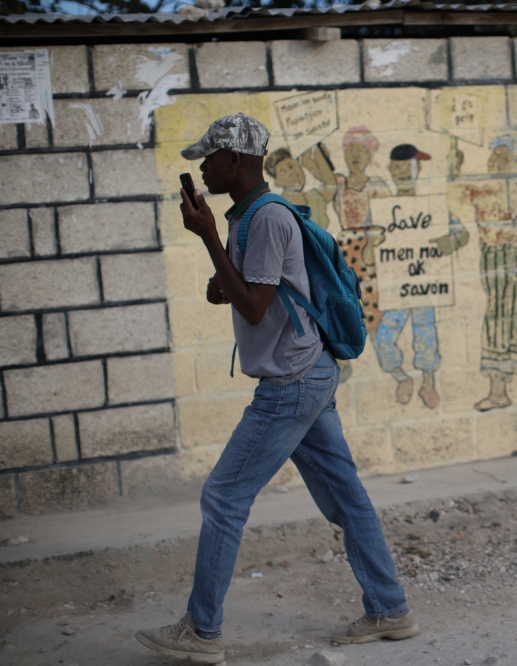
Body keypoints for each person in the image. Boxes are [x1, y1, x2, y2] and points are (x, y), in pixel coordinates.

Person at [135, 114, 417, 664]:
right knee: (347, 498)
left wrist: (209, 237)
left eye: (209, 158)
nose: (202, 168)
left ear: (234, 161)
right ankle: (390, 608)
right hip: (308, 372)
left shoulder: (262, 220)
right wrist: (224, 276)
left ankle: (201, 631)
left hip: (291, 381)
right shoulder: (252, 217)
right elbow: (254, 295)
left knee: (223, 496)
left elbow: (257, 305)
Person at [375, 143, 469, 408]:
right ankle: (401, 378)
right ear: (391, 170)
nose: (403, 173)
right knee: (384, 338)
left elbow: (462, 233)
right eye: (398, 168)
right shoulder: (384, 209)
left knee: (425, 333)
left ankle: (428, 383)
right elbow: (370, 242)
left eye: (409, 167)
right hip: (396, 287)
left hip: (425, 284)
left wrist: (450, 242)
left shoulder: (432, 207)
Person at [464, 137, 517, 416]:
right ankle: (498, 392)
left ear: (514, 164)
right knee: (495, 321)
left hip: (516, 258)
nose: (496, 162)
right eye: (494, 157)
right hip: (492, 258)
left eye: (503, 158)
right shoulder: (481, 192)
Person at [331, 126, 392, 381]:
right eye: (350, 149)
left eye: (360, 149)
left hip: (369, 254)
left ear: (369, 154)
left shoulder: (377, 185)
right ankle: (343, 361)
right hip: (345, 253)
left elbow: (389, 222)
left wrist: (371, 244)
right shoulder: (340, 185)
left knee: (372, 309)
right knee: (343, 306)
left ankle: (389, 362)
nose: (355, 155)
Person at [263, 145, 338, 230]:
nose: (292, 172)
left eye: (291, 166)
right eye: (283, 172)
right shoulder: (279, 208)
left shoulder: (312, 197)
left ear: (298, 164)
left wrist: (316, 156)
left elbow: (330, 184)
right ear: (277, 182)